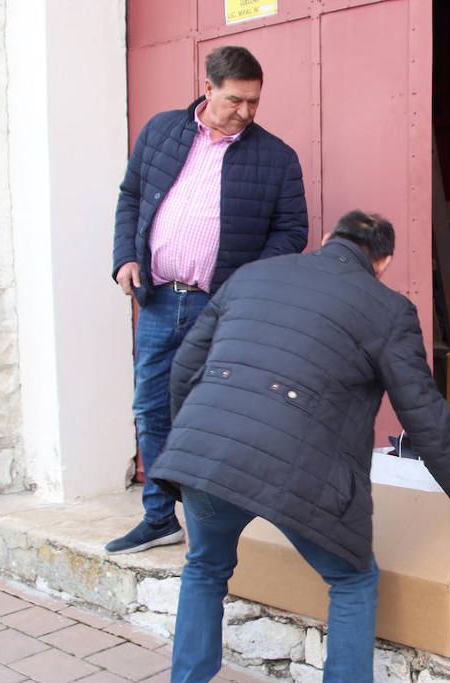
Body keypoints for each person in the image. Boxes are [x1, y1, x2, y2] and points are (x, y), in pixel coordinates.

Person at [149, 211, 450, 683]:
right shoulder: (388, 309)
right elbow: (425, 417)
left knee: (204, 570)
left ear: (325, 241)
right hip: (301, 470)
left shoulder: (253, 275)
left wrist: (195, 448)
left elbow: (183, 370)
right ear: (383, 262)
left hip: (209, 456)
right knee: (353, 578)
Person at [108, 45, 308, 554]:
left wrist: (246, 287)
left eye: (254, 101)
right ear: (207, 89)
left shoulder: (276, 157)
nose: (245, 111)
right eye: (235, 100)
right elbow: (131, 196)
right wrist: (125, 257)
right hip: (157, 301)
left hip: (219, 309)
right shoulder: (161, 131)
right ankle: (159, 518)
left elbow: (292, 232)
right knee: (152, 408)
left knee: (215, 416)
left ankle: (214, 528)